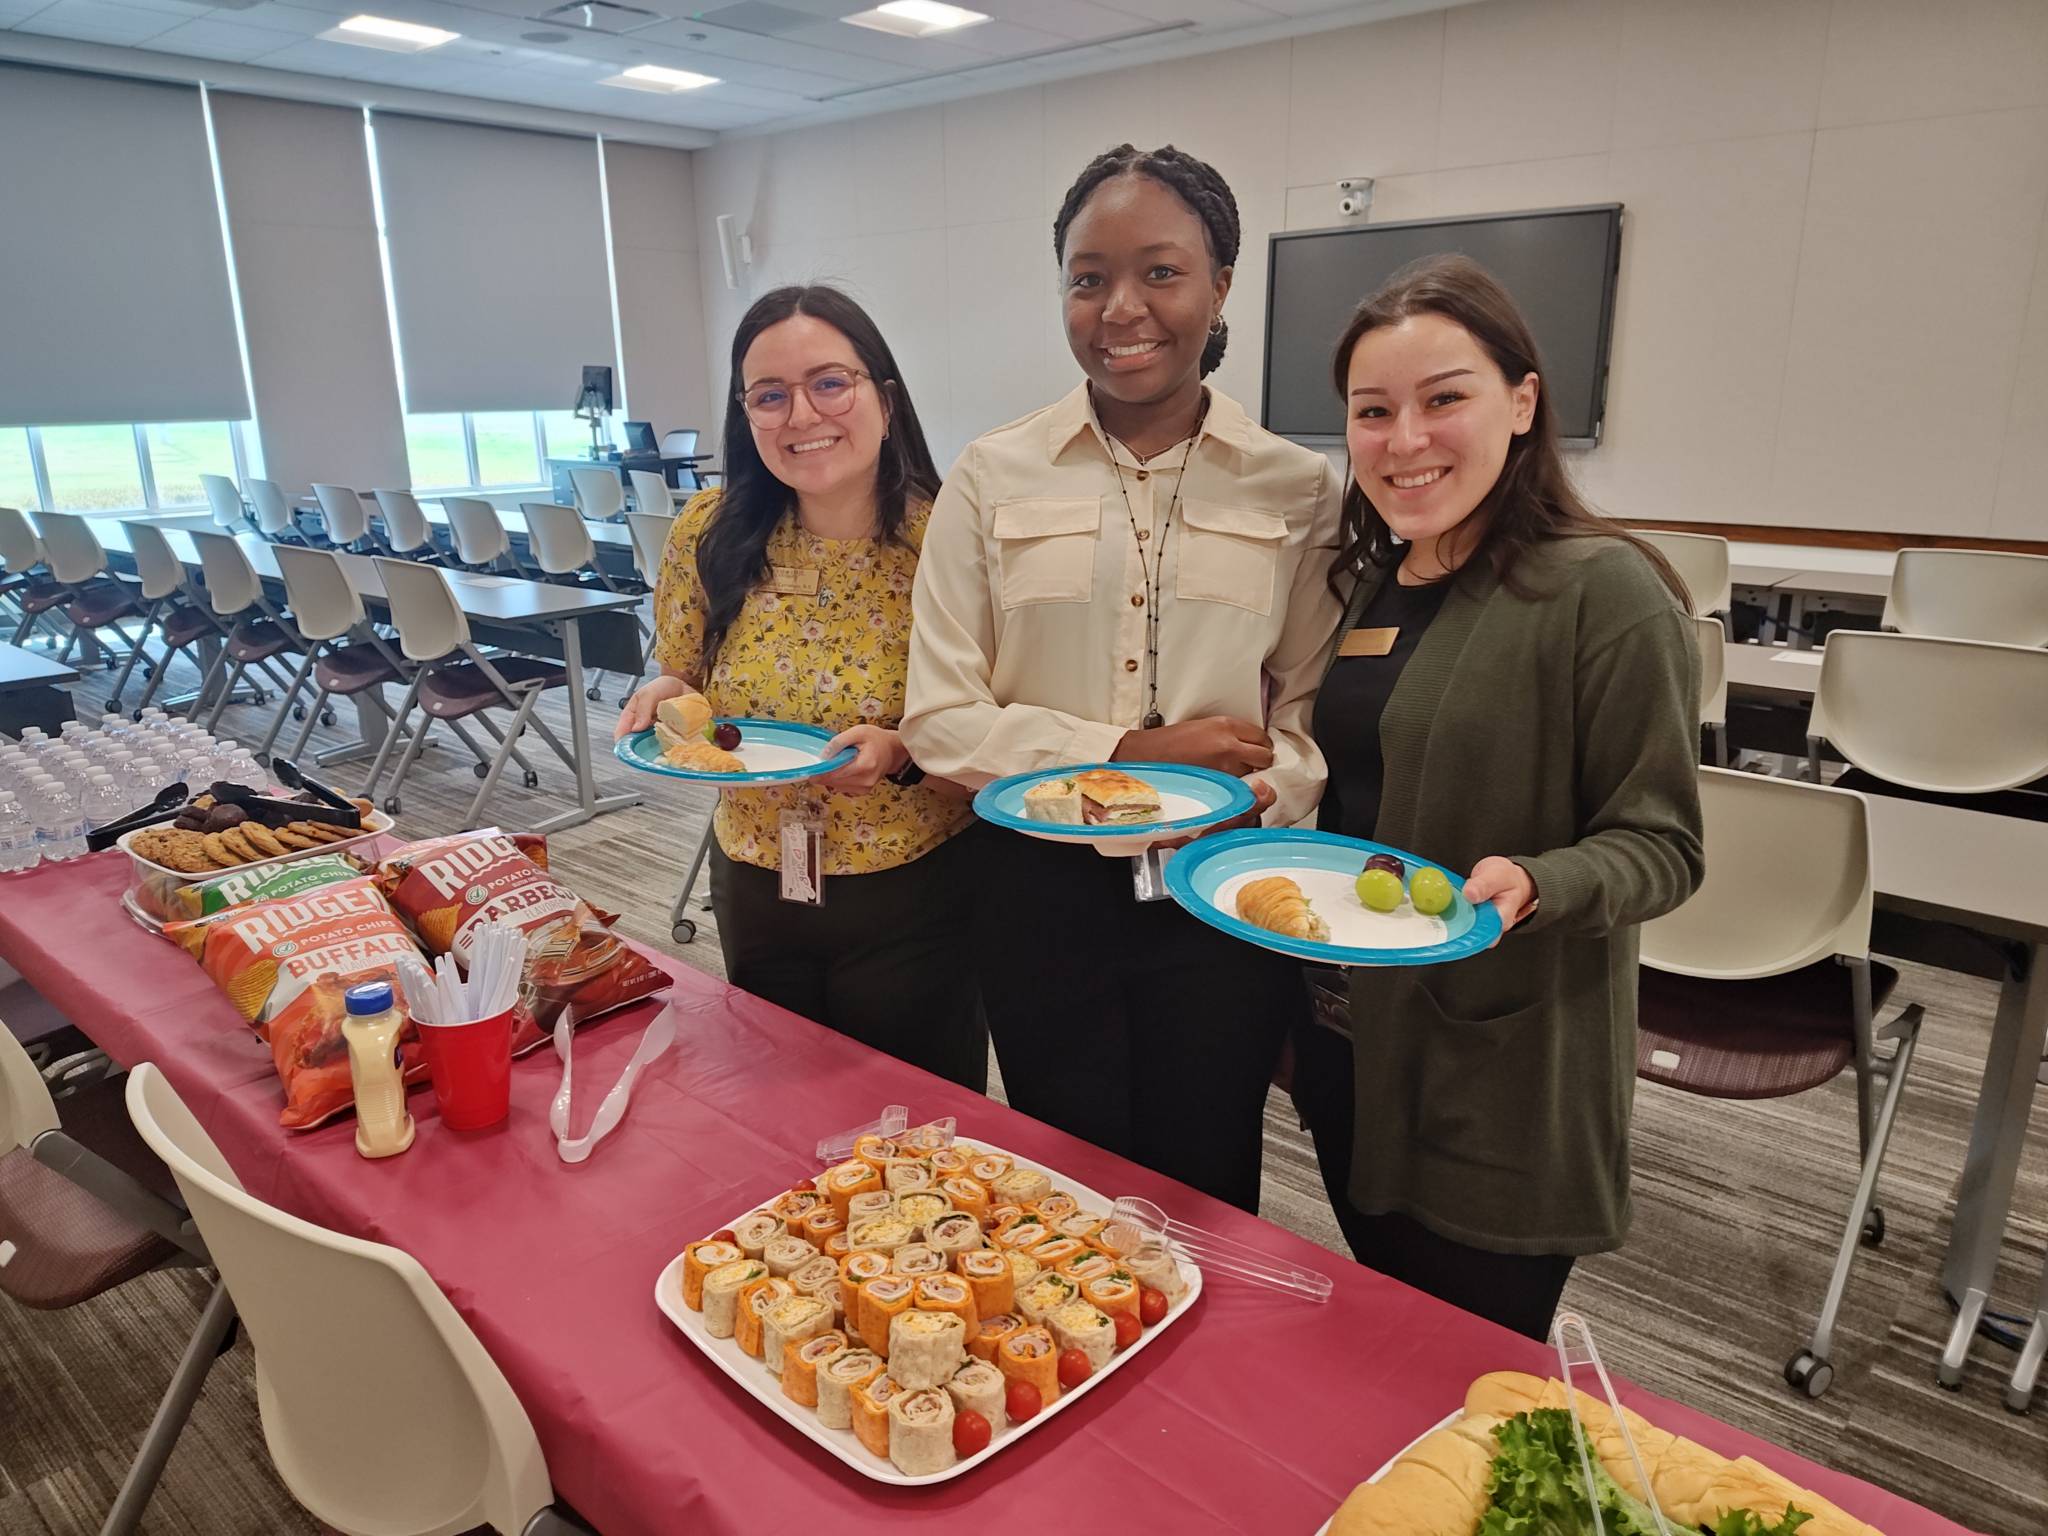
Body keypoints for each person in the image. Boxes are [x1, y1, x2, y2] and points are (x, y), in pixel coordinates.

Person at [902, 145, 1345, 1211]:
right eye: (1087, 276)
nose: (1120, 308)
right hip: (1035, 889)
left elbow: (1312, 710)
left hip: (1218, 886)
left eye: (1159, 271)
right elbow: (940, 719)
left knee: (1209, 1172)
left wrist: (1252, 792)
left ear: (1219, 286)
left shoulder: (1297, 487)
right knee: (1061, 1179)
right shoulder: (991, 472)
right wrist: (1128, 758)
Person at [1292, 253, 1705, 1339]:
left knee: (1475, 1376)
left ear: (1521, 403)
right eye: (1370, 411)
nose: (1404, 439)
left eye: (1443, 400)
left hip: (1499, 1069)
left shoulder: (1602, 590)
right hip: (1353, 1049)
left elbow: (1661, 844)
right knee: (1388, 1341)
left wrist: (1534, 880)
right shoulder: (1373, 583)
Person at [617, 284, 986, 1089]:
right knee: (778, 1102)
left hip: (910, 888)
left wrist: (902, 750)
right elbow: (684, 667)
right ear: (745, 414)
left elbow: (994, 719)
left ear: (883, 397)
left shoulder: (950, 535)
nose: (802, 416)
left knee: (916, 1116)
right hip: (755, 870)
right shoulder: (710, 530)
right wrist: (663, 692)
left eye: (830, 383)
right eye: (770, 395)